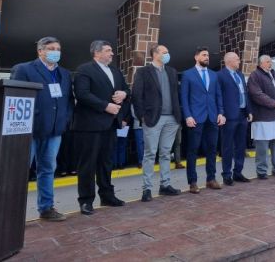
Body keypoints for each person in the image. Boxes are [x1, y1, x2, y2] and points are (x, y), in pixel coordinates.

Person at [11, 36, 74, 221]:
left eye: (58, 48)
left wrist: (65, 119)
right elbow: (15, 97)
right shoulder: (24, 69)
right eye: (51, 48)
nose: (56, 52)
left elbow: (69, 100)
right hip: (28, 130)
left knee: (47, 169)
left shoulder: (65, 73)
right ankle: (12, 211)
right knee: (19, 171)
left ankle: (46, 208)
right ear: (40, 51)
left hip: (54, 130)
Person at [72, 40, 130, 215]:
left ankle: (107, 196)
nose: (112, 53)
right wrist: (105, 106)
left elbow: (127, 91)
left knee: (106, 163)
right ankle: (86, 200)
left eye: (111, 50)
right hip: (90, 125)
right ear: (96, 53)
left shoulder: (115, 71)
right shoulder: (84, 69)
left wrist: (124, 94)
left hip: (111, 124)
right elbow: (82, 94)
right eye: (108, 50)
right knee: (87, 164)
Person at [132, 44, 182, 202]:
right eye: (164, 52)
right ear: (155, 54)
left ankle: (165, 185)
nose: (168, 54)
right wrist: (142, 116)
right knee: (150, 153)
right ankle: (147, 189)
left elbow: (176, 94)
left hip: (172, 119)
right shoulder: (143, 72)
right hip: (153, 118)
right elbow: (136, 95)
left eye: (168, 52)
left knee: (166, 153)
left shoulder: (172, 72)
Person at [180, 47, 225, 193]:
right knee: (192, 150)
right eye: (204, 55)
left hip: (212, 117)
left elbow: (218, 95)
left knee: (212, 149)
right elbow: (184, 98)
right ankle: (192, 182)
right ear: (196, 57)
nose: (207, 57)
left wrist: (221, 113)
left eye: (208, 55)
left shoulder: (214, 75)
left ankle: (211, 179)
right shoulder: (187, 75)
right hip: (195, 118)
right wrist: (187, 116)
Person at [247, 55, 275, 179]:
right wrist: (273, 103)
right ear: (261, 64)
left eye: (270, 61)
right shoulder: (255, 76)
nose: (270, 63)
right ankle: (261, 171)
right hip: (263, 117)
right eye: (267, 62)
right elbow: (256, 94)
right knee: (262, 146)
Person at [217, 52, 253, 185]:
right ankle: (226, 174)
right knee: (227, 146)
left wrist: (249, 110)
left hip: (242, 114)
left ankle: (238, 172)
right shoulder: (220, 76)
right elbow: (218, 96)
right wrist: (221, 113)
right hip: (229, 116)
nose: (239, 62)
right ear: (229, 61)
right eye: (237, 60)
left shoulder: (240, 75)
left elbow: (245, 93)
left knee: (240, 145)